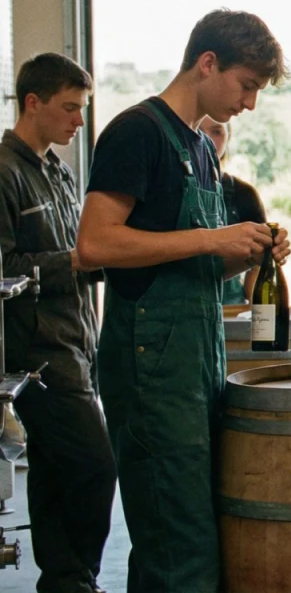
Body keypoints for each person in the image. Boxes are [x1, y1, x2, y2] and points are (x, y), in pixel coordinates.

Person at [78, 9, 291, 591]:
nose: (249, 104)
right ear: (207, 63)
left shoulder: (200, 148)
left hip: (196, 363)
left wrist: (247, 252)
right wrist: (210, 237)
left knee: (173, 539)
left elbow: (196, 262)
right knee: (182, 548)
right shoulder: (135, 132)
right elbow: (95, 243)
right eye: (246, 85)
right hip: (151, 370)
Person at [0, 53, 115, 593]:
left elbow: (84, 251)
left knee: (51, 472)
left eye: (82, 109)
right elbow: (3, 267)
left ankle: (60, 582)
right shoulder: (2, 173)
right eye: (69, 108)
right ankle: (77, 578)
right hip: (35, 353)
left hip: (75, 341)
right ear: (32, 102)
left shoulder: (62, 173)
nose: (77, 121)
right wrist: (72, 261)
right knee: (95, 465)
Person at [198, 116, 266, 304]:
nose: (207, 139)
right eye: (198, 131)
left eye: (217, 131)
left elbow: (258, 266)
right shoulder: (167, 190)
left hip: (232, 313)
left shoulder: (244, 194)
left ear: (229, 138)